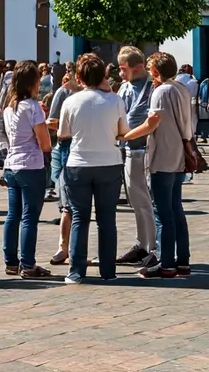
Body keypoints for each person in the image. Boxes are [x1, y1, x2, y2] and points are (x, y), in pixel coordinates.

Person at [57, 54, 129, 284]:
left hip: (78, 163)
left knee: (80, 217)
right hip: (109, 161)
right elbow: (123, 131)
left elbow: (62, 133)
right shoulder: (115, 100)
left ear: (79, 78)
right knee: (107, 219)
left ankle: (76, 271)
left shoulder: (71, 101)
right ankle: (108, 271)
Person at [121, 52, 193, 278]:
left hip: (163, 154)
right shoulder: (181, 88)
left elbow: (152, 122)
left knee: (163, 213)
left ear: (155, 71)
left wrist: (126, 135)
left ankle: (165, 262)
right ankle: (182, 260)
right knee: (176, 210)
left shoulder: (161, 91)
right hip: (178, 155)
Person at [0, 60, 52, 278]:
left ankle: (11, 261)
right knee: (29, 216)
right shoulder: (32, 106)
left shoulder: (11, 107)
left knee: (13, 215)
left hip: (12, 164)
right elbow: (44, 142)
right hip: (31, 164)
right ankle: (28, 264)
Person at [115, 46, 158, 269]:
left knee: (143, 200)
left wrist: (124, 132)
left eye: (124, 69)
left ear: (138, 67)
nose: (121, 74)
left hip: (142, 150)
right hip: (126, 149)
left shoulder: (151, 89)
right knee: (135, 200)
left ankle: (151, 248)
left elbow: (140, 120)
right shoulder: (124, 88)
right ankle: (142, 244)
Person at [46, 72, 78, 265]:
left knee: (76, 206)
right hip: (65, 146)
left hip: (84, 150)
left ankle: (74, 250)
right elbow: (52, 121)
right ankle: (63, 247)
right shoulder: (64, 93)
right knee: (67, 204)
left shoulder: (102, 94)